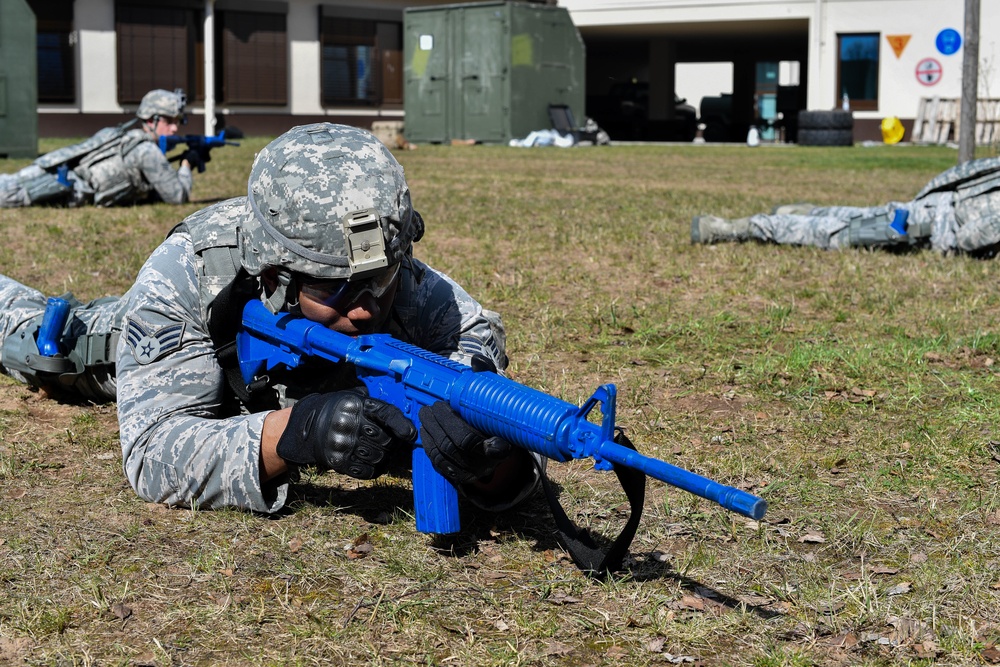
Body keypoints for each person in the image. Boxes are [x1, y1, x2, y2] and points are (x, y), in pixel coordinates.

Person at [0, 122, 539, 516]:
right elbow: (153, 452)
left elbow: (474, 341)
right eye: (335, 288)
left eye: (383, 278)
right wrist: (293, 434)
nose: (366, 306)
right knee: (43, 339)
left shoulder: (386, 268)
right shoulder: (192, 271)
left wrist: (487, 449)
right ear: (275, 276)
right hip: (115, 349)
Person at [691, 155, 1000, 256]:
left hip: (926, 213)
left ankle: (788, 214)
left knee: (845, 219)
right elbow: (970, 237)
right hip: (921, 224)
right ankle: (730, 228)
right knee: (834, 229)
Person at [0, 89, 197, 208]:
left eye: (177, 121)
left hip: (59, 170)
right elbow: (177, 196)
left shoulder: (124, 134)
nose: (174, 128)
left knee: (10, 182)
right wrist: (186, 165)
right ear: (150, 119)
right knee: (12, 194)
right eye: (168, 120)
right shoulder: (147, 151)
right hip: (67, 188)